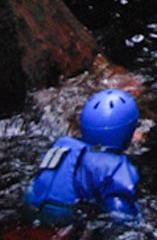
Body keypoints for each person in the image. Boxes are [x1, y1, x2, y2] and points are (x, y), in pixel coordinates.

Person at [23, 89, 141, 225]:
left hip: (31, 201)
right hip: (62, 213)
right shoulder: (117, 167)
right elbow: (121, 214)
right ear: (127, 132)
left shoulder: (63, 144)